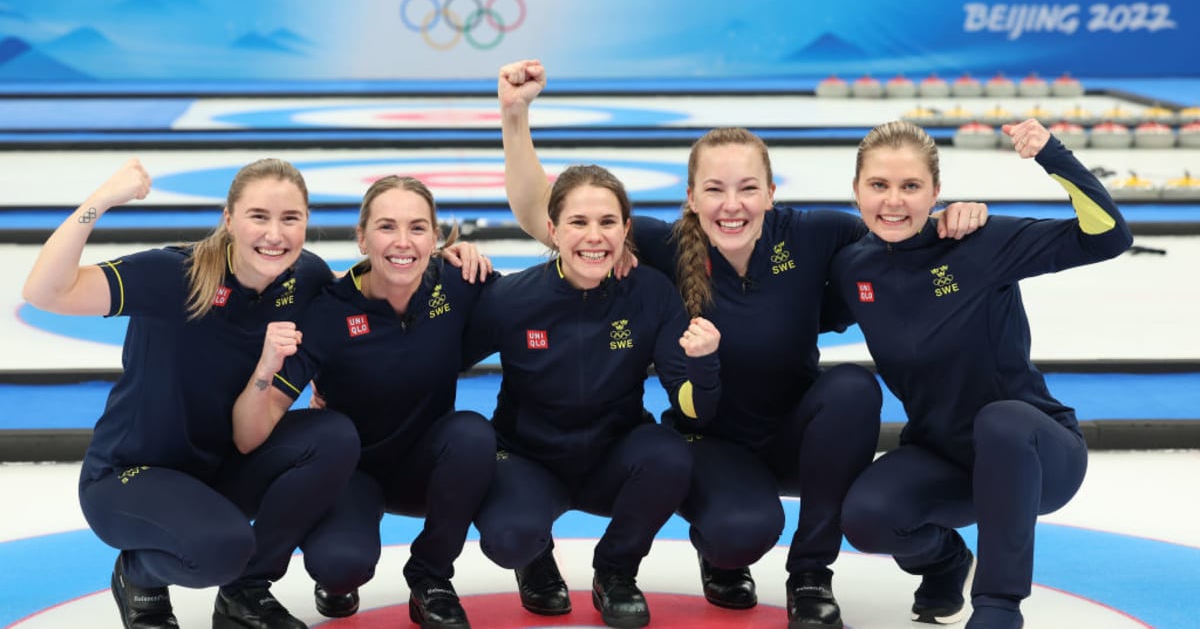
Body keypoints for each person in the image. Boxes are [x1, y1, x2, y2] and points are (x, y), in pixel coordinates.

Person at [496, 59, 989, 629]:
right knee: (737, 536)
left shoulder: (815, 234)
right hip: (711, 443)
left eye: (748, 188)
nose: (732, 205)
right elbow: (543, 215)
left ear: (771, 193)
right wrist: (515, 115)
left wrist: (956, 216)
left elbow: (897, 226)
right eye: (715, 189)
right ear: (690, 198)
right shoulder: (658, 245)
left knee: (852, 386)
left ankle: (812, 573)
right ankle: (721, 552)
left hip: (799, 434)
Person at [22, 158, 362, 629]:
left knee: (332, 435)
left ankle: (246, 591)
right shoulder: (173, 275)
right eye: (258, 217)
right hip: (130, 475)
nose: (275, 235)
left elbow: (362, 305)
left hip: (220, 468)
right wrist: (98, 202)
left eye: (290, 219)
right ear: (229, 219)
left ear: (307, 222)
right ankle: (138, 573)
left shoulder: (305, 278)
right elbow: (46, 292)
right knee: (221, 549)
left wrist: (442, 262)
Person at [834, 119, 1132, 629]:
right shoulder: (853, 268)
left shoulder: (981, 242)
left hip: (1036, 453)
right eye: (879, 185)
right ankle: (946, 563)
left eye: (911, 187)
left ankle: (998, 608)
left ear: (936, 192)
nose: (894, 202)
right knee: (867, 517)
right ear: (856, 190)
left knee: (1001, 420)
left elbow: (1108, 236)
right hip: (945, 459)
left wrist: (1052, 154)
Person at [231, 175, 497, 629]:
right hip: (350, 472)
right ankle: (314, 574)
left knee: (472, 433)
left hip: (425, 466)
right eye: (386, 227)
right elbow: (254, 425)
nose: (402, 242)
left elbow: (547, 305)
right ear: (361, 238)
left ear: (436, 238)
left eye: (417, 228)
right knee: (340, 567)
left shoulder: (459, 283)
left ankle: (430, 575)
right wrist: (262, 372)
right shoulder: (329, 311)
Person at [464, 164, 722, 628]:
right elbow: (439, 354)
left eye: (607, 223)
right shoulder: (512, 298)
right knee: (510, 538)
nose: (594, 237)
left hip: (614, 455)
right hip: (529, 458)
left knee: (669, 455)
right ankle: (535, 557)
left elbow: (691, 405)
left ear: (626, 229)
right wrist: (444, 262)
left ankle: (616, 571)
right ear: (552, 230)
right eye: (578, 223)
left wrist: (704, 368)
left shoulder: (650, 293)